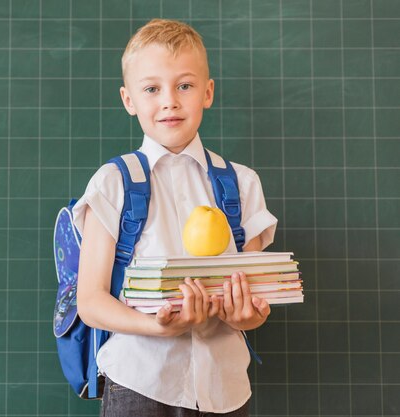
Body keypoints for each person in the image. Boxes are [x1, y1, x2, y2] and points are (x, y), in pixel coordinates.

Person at [71, 19, 278, 416]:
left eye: (184, 85)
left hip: (226, 389)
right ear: (129, 100)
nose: (170, 100)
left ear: (208, 92)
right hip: (140, 383)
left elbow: (251, 301)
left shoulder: (243, 184)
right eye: (151, 89)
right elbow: (91, 302)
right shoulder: (114, 182)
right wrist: (159, 326)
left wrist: (247, 315)